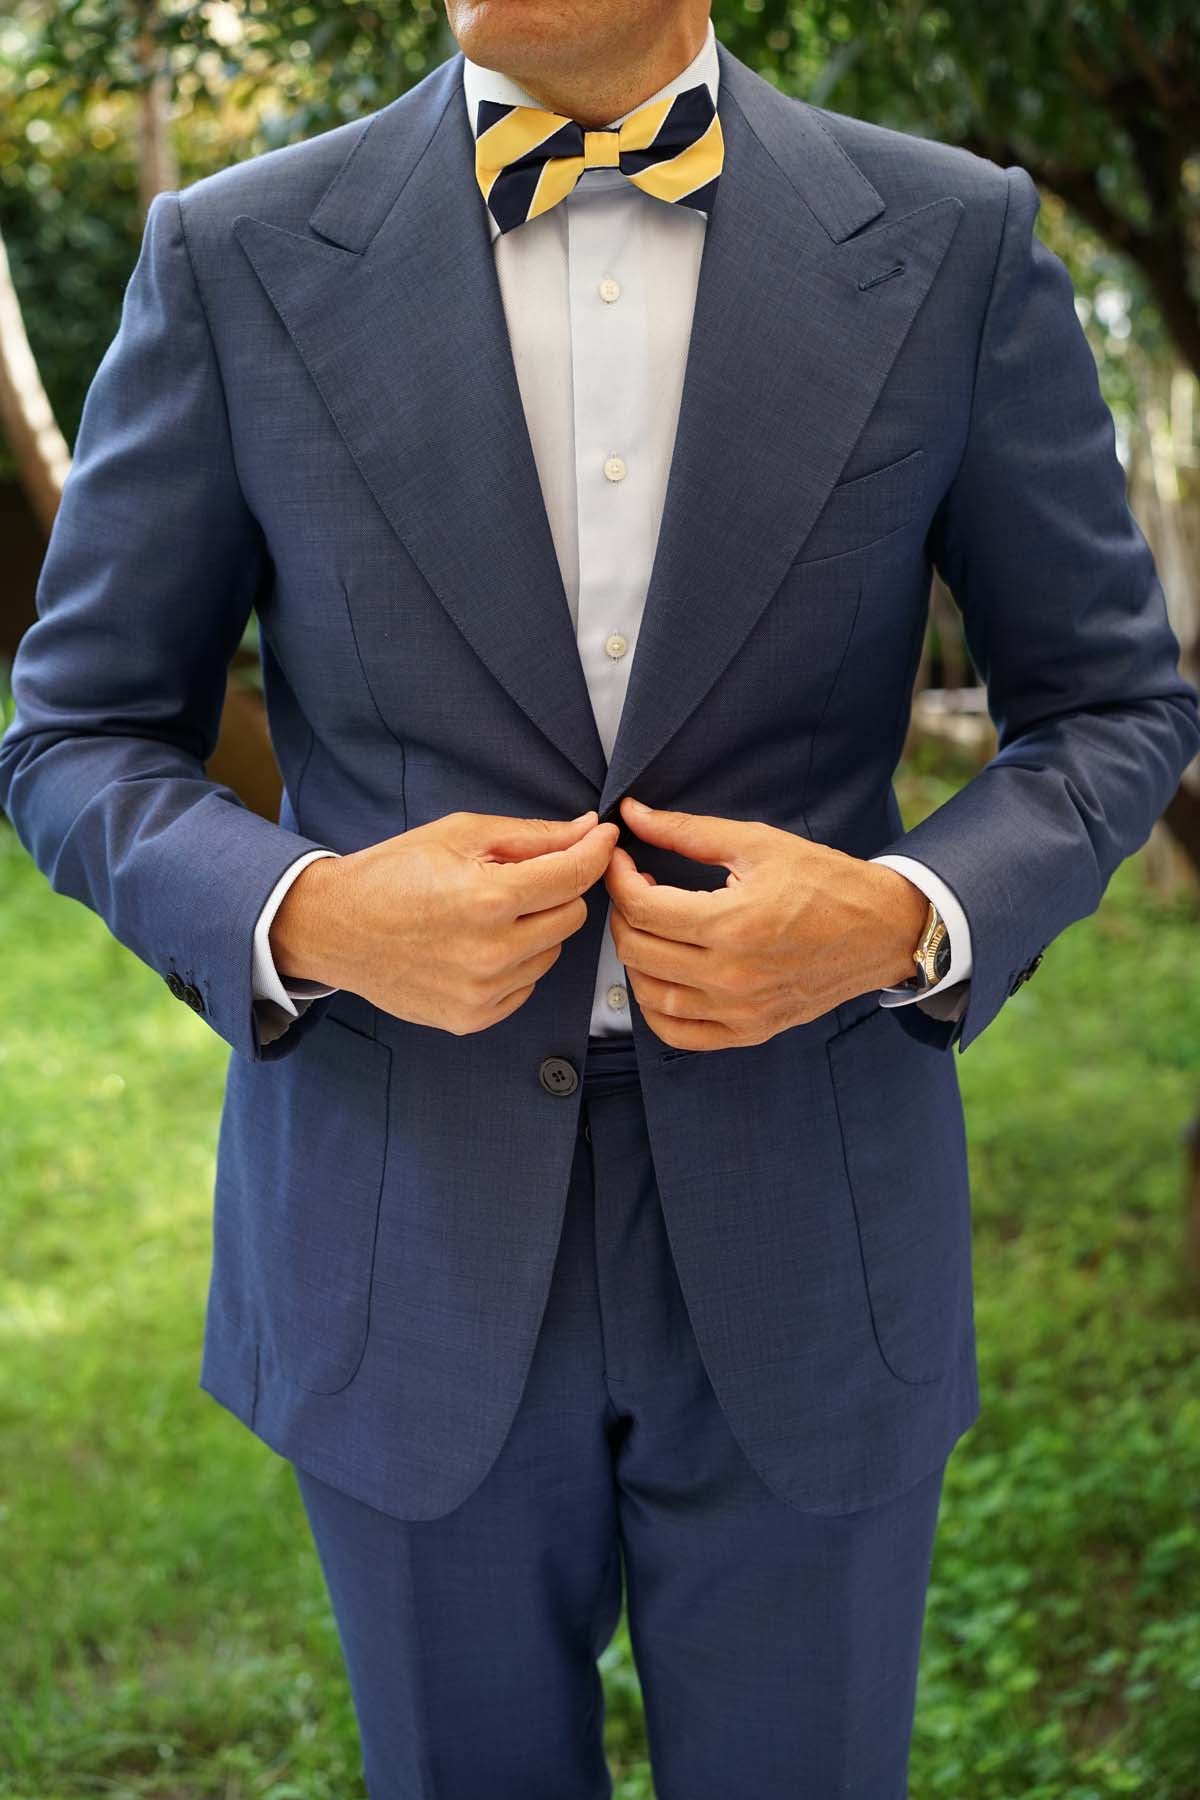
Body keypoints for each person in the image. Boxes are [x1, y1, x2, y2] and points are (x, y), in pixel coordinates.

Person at [2, 2, 1198, 1793]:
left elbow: (1113, 706)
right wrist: (307, 914)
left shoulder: (952, 241)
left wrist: (905, 915)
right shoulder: (234, 255)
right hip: (401, 1226)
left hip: (816, 1220)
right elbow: (74, 733)